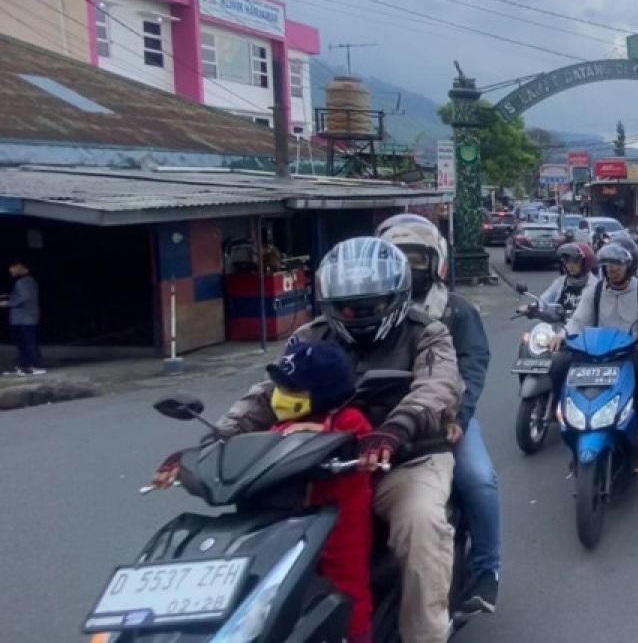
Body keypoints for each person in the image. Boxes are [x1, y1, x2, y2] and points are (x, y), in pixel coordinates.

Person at [157, 237, 463, 643]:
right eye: (345, 307)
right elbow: (268, 394)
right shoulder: (310, 336)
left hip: (404, 458)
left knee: (420, 524)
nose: (354, 314)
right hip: (314, 461)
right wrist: (212, 444)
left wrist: (394, 429)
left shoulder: (426, 332)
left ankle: (425, 636)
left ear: (396, 298)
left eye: (367, 307)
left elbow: (438, 387)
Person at [378, 214, 501, 617]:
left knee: (478, 480)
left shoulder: (455, 312)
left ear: (435, 262)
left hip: (446, 417)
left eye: (414, 259)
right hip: (378, 421)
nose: (405, 269)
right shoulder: (370, 309)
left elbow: (473, 366)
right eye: (394, 259)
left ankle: (487, 570)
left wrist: (459, 419)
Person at [266, 339, 375, 643]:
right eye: (281, 389)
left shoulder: (348, 419)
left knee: (349, 586)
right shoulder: (282, 426)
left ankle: (359, 637)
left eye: (291, 390)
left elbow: (364, 443)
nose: (281, 397)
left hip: (342, 516)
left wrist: (325, 435)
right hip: (295, 517)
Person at [548, 242, 638, 473]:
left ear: (629, 265)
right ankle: (566, 418)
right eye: (608, 264)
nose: (612, 269)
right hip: (594, 353)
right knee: (558, 364)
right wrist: (561, 336)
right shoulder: (595, 291)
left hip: (628, 352)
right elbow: (578, 321)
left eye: (618, 263)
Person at [2, 257, 44, 376]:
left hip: (24, 319)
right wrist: (8, 297)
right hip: (24, 318)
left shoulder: (23, 281)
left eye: (13, 269)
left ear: (21, 267)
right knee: (24, 343)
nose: (11, 271)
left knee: (27, 343)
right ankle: (25, 366)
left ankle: (34, 366)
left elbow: (23, 298)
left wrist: (7, 303)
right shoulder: (28, 281)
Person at [540, 242, 599, 316]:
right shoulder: (560, 282)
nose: (570, 266)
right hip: (558, 325)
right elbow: (543, 301)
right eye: (567, 262)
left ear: (586, 262)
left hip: (583, 326)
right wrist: (531, 307)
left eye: (575, 262)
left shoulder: (596, 286)